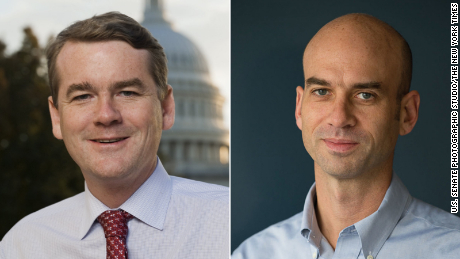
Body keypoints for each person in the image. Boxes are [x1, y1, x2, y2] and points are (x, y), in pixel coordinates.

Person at [0, 12, 228, 259]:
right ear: (56, 117)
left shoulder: (229, 226)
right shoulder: (22, 245)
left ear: (166, 108)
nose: (106, 115)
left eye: (127, 92)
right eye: (82, 96)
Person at [232, 13, 460, 259]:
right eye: (321, 91)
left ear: (407, 114)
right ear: (299, 108)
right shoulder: (251, 254)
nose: (339, 118)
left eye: (365, 95)